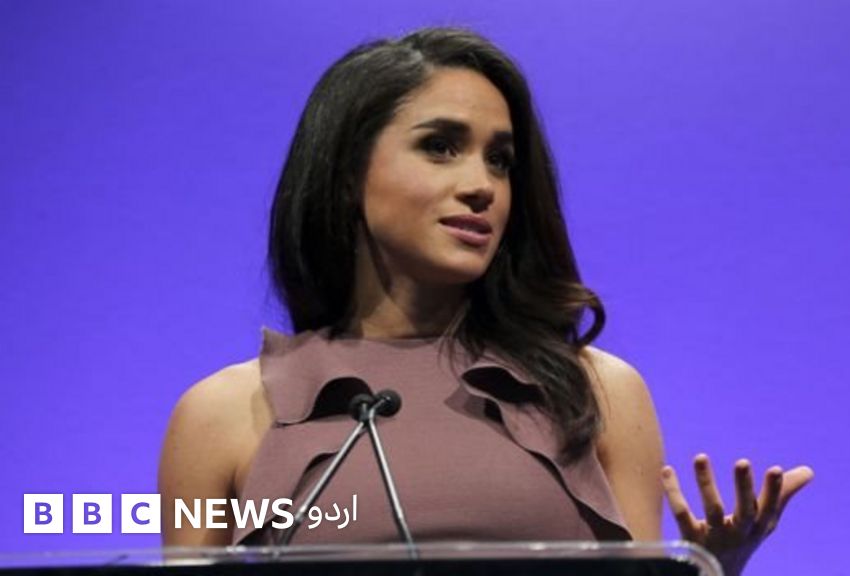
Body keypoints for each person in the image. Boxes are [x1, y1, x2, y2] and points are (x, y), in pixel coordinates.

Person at [158, 26, 813, 574]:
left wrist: (711, 568)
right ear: (347, 174)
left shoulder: (598, 394)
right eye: (440, 147)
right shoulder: (222, 416)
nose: (482, 186)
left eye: (499, 160)